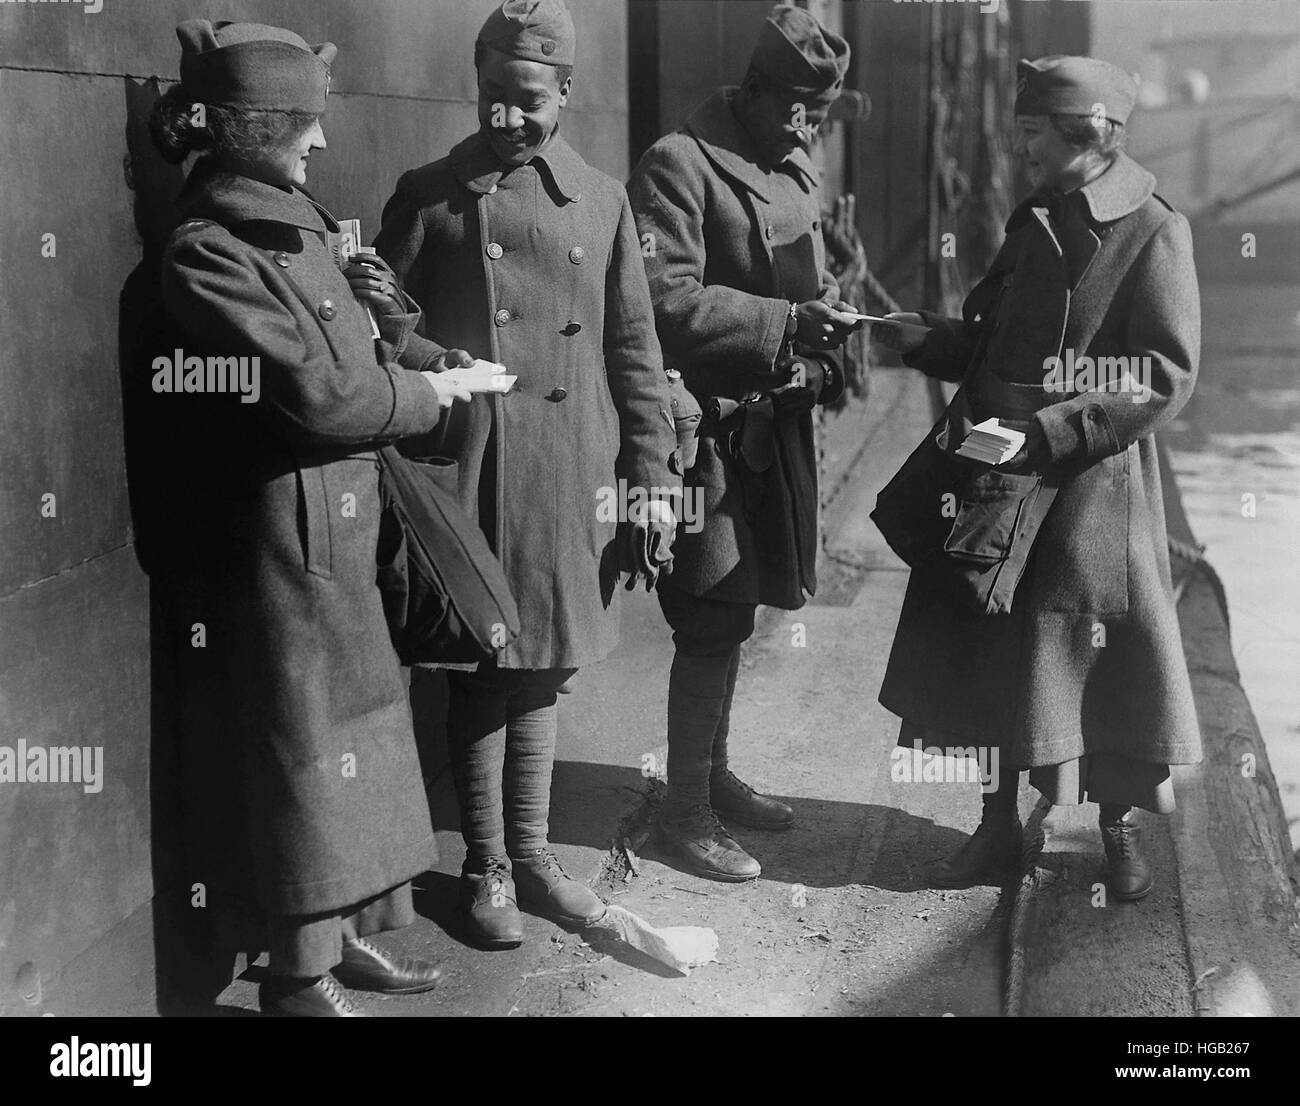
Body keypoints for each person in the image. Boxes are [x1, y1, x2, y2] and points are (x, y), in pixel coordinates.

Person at [153, 19, 472, 1015]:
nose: (320, 143)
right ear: (255, 129)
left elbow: (343, 366)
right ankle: (299, 978)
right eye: (303, 123)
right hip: (281, 550)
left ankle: (345, 938)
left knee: (361, 737)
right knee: (302, 755)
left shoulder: (286, 225)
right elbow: (317, 398)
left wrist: (405, 341)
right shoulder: (207, 253)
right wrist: (425, 400)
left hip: (335, 531)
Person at [374, 0, 680, 949]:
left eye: (532, 100)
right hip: (470, 467)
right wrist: (425, 346)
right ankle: (486, 866)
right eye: (494, 96)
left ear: (568, 94)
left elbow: (634, 352)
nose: (510, 118)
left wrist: (653, 478)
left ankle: (537, 856)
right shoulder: (428, 193)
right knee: (479, 673)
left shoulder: (600, 197)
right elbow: (375, 333)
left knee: (543, 668)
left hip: (567, 469)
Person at [876, 55, 1202, 901]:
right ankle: (993, 824)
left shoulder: (1155, 230)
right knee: (990, 641)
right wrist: (922, 337)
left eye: (1030, 134)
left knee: (1104, 653)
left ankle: (1117, 828)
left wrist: (1058, 430)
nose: (1018, 150)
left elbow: (1164, 373)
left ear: (1086, 134)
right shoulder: (1034, 222)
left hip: (1092, 484)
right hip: (999, 470)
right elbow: (989, 343)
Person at [627, 5, 861, 882]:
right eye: (796, 109)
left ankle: (712, 777)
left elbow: (811, 261)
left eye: (820, 115)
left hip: (776, 415)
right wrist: (786, 321)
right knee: (711, 614)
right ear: (753, 88)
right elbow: (660, 300)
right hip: (707, 432)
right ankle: (682, 810)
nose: (807, 129)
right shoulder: (677, 165)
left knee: (748, 602)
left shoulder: (789, 158)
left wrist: (825, 316)